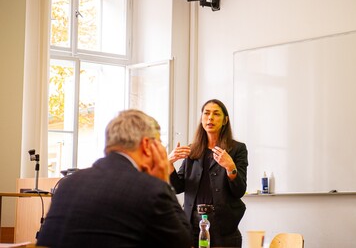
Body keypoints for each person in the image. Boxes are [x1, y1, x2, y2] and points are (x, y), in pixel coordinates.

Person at [36, 109, 192, 248]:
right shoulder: (150, 189)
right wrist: (163, 181)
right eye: (158, 143)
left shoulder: (67, 184)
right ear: (146, 145)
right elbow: (184, 242)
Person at [169, 99, 248, 247]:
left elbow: (239, 190)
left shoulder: (237, 149)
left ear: (225, 120)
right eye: (206, 113)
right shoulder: (192, 149)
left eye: (216, 114)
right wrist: (169, 164)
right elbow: (178, 187)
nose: (210, 118)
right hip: (192, 224)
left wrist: (230, 167)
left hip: (223, 227)